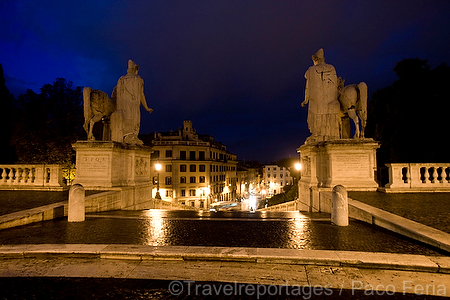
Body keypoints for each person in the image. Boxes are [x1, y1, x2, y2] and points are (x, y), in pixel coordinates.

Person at [301, 49, 340, 142]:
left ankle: (317, 133)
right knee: (329, 113)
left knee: (315, 114)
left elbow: (308, 83)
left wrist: (306, 99)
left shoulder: (311, 70)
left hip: (317, 99)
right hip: (330, 99)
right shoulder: (331, 68)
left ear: (316, 59)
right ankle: (331, 134)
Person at [111, 60, 153, 145]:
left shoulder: (121, 79)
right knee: (134, 120)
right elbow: (141, 95)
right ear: (136, 70)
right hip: (133, 106)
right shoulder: (138, 79)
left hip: (121, 107)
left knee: (124, 119)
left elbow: (115, 93)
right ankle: (131, 137)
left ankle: (123, 135)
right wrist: (147, 107)